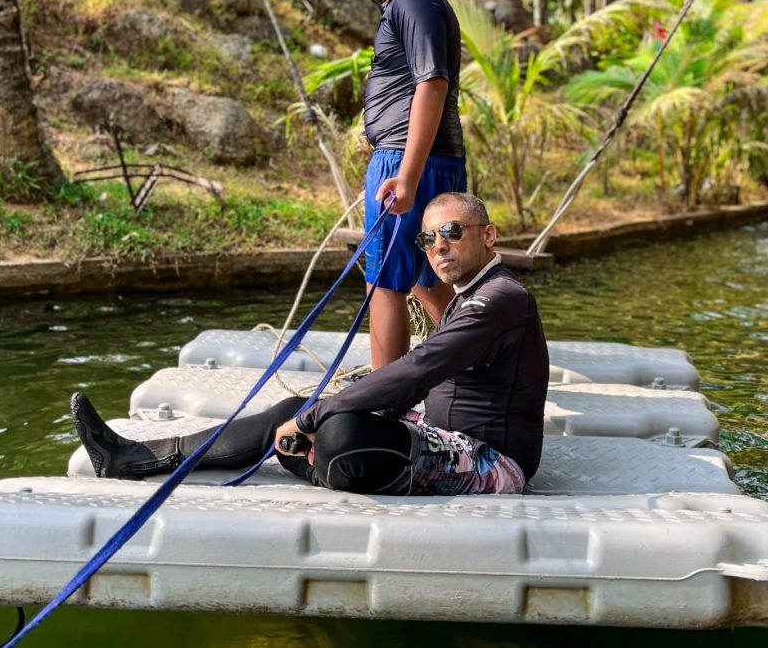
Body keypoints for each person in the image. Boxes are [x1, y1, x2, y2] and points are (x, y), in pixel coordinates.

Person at [71, 192, 549, 496]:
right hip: (438, 433)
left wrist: (315, 419)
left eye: (451, 232)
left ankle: (325, 457)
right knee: (295, 408)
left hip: (491, 459)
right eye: (427, 238)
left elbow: (419, 368)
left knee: (333, 429)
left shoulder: (503, 298)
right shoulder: (475, 295)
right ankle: (137, 456)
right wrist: (308, 414)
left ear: (488, 236)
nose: (438, 245)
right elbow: (411, 383)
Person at [349, 0, 467, 370]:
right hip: (427, 158)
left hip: (407, 159)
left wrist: (407, 174)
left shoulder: (413, 0)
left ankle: (384, 409)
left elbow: (432, 82)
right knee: (427, 276)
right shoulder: (408, 0)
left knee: (383, 282)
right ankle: (473, 374)